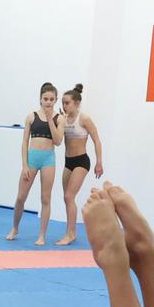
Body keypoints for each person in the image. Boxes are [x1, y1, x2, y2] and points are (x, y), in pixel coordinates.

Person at [8, 82, 62, 246]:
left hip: (48, 159)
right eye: (45, 98)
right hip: (32, 158)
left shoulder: (60, 118)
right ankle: (15, 228)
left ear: (55, 100)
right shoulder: (31, 116)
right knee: (20, 198)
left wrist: (50, 119)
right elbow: (24, 142)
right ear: (40, 99)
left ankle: (42, 235)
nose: (48, 102)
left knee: (45, 198)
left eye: (52, 99)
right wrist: (25, 165)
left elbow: (58, 141)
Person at [55, 83, 105, 247]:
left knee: (69, 196)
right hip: (68, 162)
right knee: (67, 198)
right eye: (62, 102)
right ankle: (71, 232)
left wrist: (99, 162)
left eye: (67, 102)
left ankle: (70, 234)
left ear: (76, 103)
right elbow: (57, 139)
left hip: (82, 161)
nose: (64, 105)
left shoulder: (84, 118)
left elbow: (96, 139)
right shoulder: (63, 119)